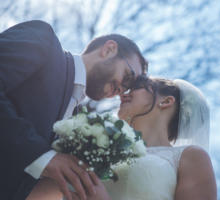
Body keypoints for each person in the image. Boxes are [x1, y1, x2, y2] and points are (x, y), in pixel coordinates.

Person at [0, 20, 147, 200]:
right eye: (127, 77)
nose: (122, 90)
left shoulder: (80, 124)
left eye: (127, 88)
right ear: (108, 49)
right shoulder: (44, 40)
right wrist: (41, 156)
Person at [85, 76, 217, 200]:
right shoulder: (100, 148)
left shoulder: (190, 157)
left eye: (138, 87)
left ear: (166, 101)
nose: (123, 95)